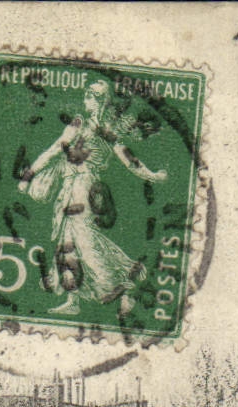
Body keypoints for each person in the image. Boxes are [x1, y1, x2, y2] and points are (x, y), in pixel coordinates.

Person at [17, 79, 167, 319]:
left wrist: (153, 176)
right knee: (67, 242)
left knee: (84, 241)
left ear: (99, 101)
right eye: (86, 94)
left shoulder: (103, 130)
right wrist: (28, 175)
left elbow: (128, 159)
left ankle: (123, 288)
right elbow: (55, 149)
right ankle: (73, 298)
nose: (85, 99)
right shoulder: (79, 123)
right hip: (69, 187)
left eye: (90, 95)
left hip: (84, 188)